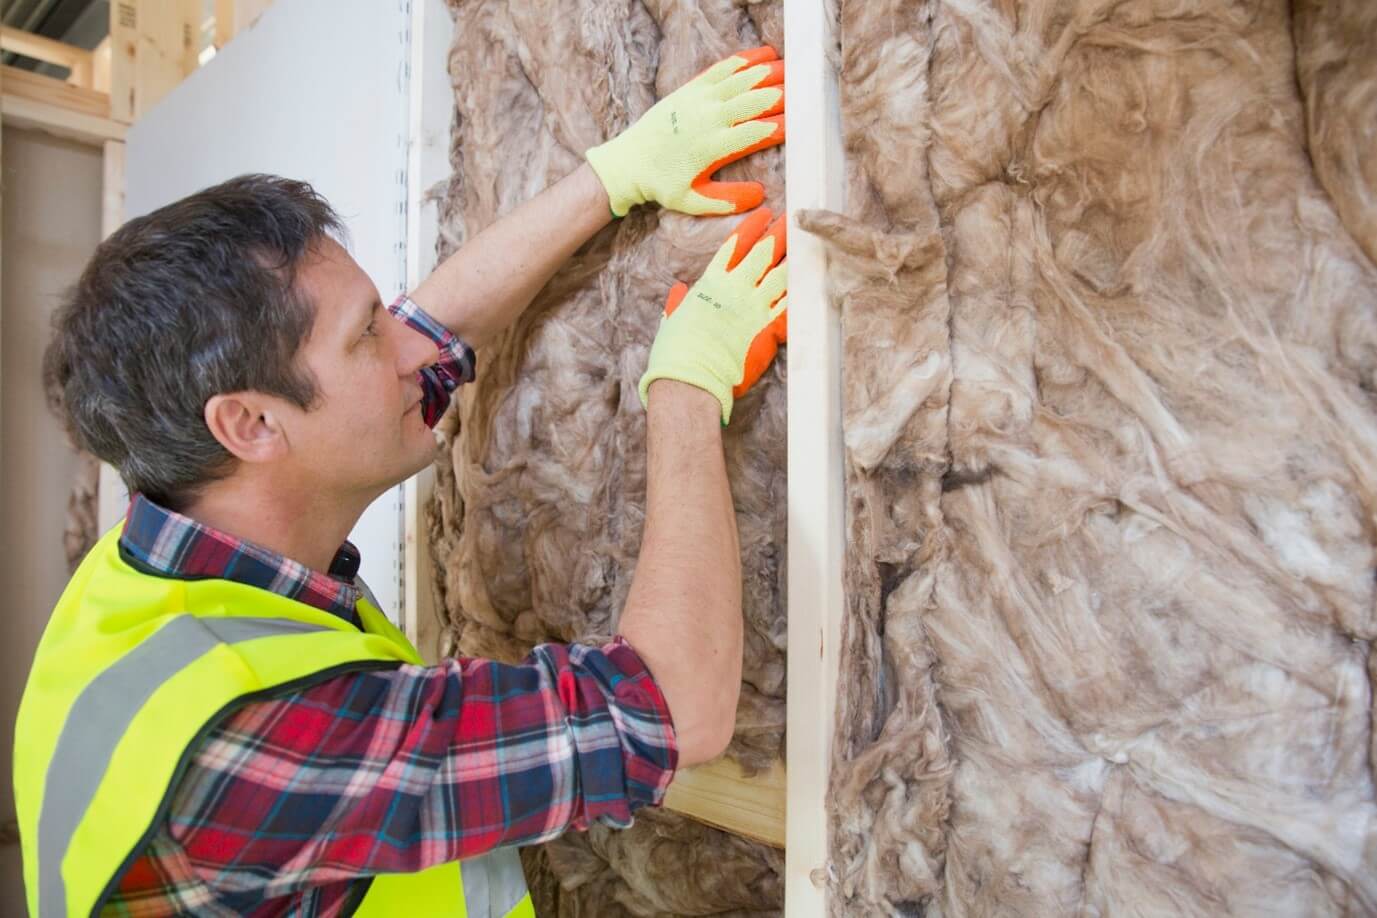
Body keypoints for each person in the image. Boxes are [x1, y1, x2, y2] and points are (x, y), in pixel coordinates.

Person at [16, 47, 788, 917]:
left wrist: (613, 178)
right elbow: (669, 708)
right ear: (252, 424)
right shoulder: (260, 743)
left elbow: (428, 329)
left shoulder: (143, 580)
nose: (413, 349)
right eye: (365, 337)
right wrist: (684, 392)